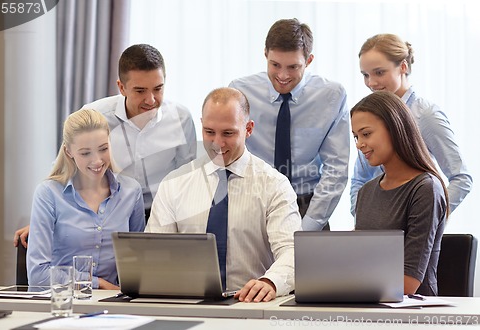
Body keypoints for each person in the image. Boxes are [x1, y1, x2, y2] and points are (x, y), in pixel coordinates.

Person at [14, 44, 197, 247]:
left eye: (158, 88)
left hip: (164, 216)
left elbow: (186, 180)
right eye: (140, 90)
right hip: (112, 215)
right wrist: (46, 220)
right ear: (121, 87)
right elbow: (66, 168)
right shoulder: (94, 115)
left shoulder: (181, 118)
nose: (151, 99)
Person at [146, 87, 302, 302]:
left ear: (248, 129)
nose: (217, 143)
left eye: (228, 133)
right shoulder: (174, 183)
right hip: (187, 305)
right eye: (209, 132)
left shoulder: (274, 185)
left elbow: (292, 250)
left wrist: (271, 282)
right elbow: (154, 251)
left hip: (251, 305)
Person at [229, 18, 349, 231]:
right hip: (254, 201)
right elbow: (230, 154)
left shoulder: (331, 96)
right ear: (265, 54)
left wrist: (310, 225)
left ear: (309, 60)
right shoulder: (240, 92)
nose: (283, 76)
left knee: (310, 265)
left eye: (293, 67)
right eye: (275, 65)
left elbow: (336, 167)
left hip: (307, 204)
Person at [350, 33, 472, 216]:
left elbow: (461, 178)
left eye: (379, 72)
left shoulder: (425, 115)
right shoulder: (370, 114)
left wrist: (427, 217)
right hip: (377, 231)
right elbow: (360, 179)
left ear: (403, 67)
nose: (371, 83)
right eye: (365, 75)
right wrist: (363, 219)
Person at [27, 109, 145, 290]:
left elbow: (139, 264)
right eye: (85, 153)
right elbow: (38, 275)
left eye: (103, 149)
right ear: (69, 152)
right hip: (62, 303)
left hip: (113, 307)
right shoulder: (48, 194)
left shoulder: (131, 192)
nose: (97, 160)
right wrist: (98, 283)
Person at [351, 91, 448, 296]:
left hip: (412, 314)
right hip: (367, 305)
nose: (359, 144)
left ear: (395, 129)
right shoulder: (366, 191)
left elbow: (408, 284)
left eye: (366, 134)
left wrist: (347, 284)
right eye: (356, 137)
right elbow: (357, 261)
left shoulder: (425, 188)